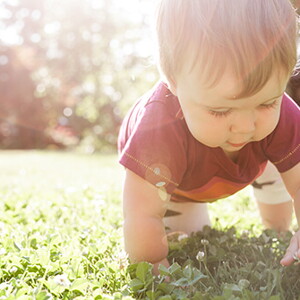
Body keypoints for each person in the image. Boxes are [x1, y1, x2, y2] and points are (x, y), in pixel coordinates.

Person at [118, 0, 300, 274]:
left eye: (266, 103)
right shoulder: (157, 129)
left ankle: (278, 227)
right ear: (173, 82)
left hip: (259, 158)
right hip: (175, 183)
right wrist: (152, 264)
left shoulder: (283, 116)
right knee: (184, 234)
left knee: (285, 160)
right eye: (220, 110)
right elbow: (142, 211)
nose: (244, 127)